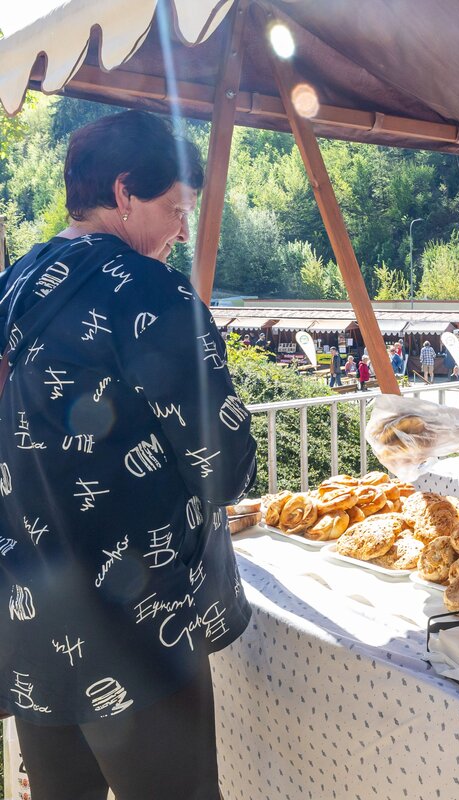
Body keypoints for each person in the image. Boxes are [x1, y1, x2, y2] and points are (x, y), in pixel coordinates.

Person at [0, 110, 257, 799]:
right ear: (124, 194)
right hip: (138, 627)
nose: (181, 230)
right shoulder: (152, 292)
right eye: (176, 210)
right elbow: (226, 467)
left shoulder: (17, 282)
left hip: (30, 623)